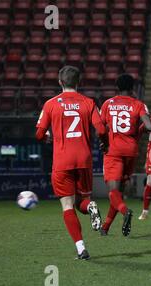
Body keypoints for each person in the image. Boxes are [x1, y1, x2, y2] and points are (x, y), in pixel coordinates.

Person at [35, 65, 107, 259]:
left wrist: (48, 136)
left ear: (60, 82)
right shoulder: (88, 102)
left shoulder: (50, 104)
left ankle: (81, 248)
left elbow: (39, 133)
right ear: (79, 82)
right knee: (82, 201)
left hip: (62, 161)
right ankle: (90, 207)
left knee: (68, 206)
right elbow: (101, 129)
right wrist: (103, 142)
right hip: (84, 159)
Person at [99, 74, 151, 236]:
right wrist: (138, 129)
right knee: (119, 193)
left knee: (113, 191)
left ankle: (125, 212)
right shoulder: (138, 104)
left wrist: (104, 141)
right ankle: (105, 227)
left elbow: (101, 129)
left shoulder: (108, 104)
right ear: (133, 88)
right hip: (131, 150)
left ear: (117, 87)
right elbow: (150, 126)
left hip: (113, 151)